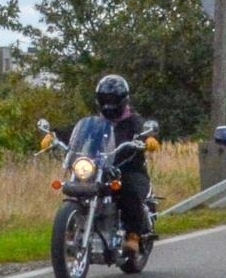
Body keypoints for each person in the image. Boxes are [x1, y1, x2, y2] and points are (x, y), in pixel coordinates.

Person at [61, 74, 157, 256]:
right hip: (100, 169)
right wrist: (54, 137)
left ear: (123, 100)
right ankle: (70, 230)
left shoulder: (133, 121)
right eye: (105, 100)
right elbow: (75, 136)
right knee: (78, 186)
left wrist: (149, 138)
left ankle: (133, 236)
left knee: (128, 190)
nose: (109, 104)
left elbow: (144, 131)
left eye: (113, 100)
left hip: (129, 169)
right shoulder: (96, 124)